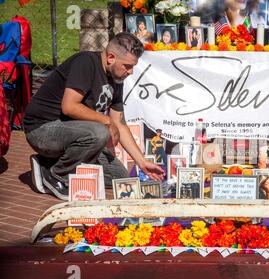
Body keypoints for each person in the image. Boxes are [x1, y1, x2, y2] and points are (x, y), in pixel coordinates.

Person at [24, 32, 165, 200]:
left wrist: (141, 162)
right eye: (127, 66)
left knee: (120, 176)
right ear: (111, 57)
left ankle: (49, 162)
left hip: (72, 133)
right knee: (99, 132)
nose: (131, 71)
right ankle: (56, 175)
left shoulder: (116, 77)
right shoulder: (85, 62)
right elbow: (69, 107)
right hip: (42, 130)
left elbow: (119, 123)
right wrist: (106, 121)